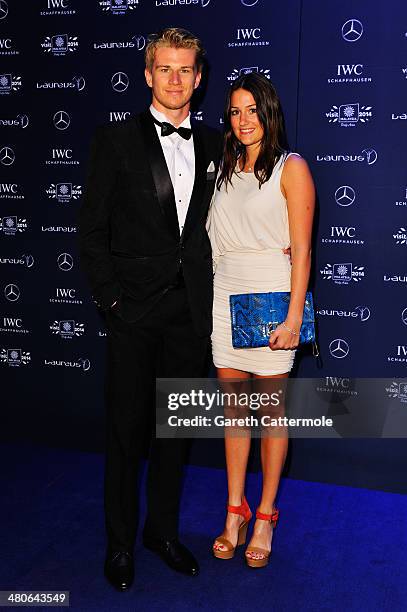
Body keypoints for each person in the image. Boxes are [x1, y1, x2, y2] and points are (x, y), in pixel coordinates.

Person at [79, 28, 221, 590]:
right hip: (133, 316)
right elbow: (91, 232)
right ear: (147, 74)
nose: (176, 79)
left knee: (174, 433)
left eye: (186, 70)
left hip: (190, 316)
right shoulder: (115, 141)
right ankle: (119, 544)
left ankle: (161, 533)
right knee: (125, 434)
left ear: (199, 78)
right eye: (165, 69)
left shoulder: (215, 146)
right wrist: (113, 302)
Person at [206, 72, 315, 568]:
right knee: (234, 415)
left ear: (269, 113)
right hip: (225, 294)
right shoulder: (224, 165)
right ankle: (235, 510)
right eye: (235, 110)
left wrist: (294, 317)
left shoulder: (292, 168)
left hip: (271, 298)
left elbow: (303, 250)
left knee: (269, 414)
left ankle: (267, 513)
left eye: (253, 109)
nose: (244, 120)